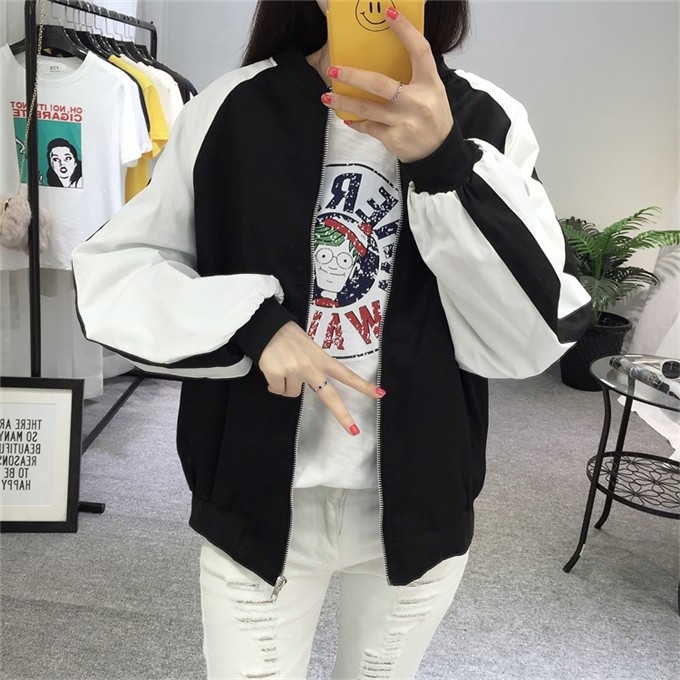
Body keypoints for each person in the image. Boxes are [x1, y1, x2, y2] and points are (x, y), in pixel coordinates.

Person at [72, 1, 591, 678]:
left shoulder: (489, 120)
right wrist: (252, 323)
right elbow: (119, 272)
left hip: (419, 498)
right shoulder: (232, 109)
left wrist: (446, 163)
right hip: (255, 497)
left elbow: (530, 333)